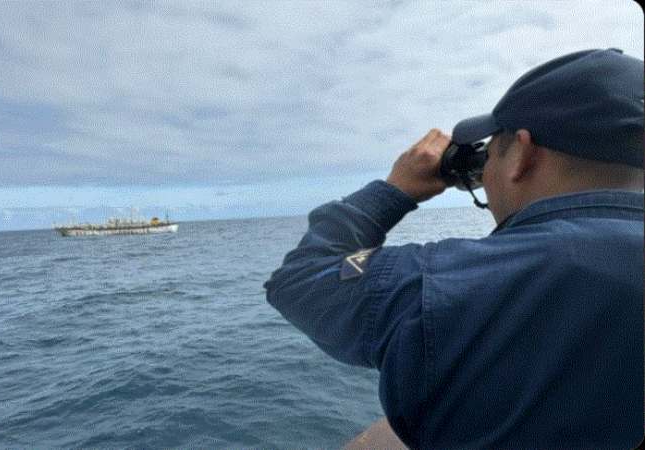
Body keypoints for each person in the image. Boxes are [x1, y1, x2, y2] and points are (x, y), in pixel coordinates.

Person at [264, 48, 644, 449]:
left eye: (489, 155)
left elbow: (300, 280)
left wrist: (393, 191)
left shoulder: (446, 282)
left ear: (522, 154)